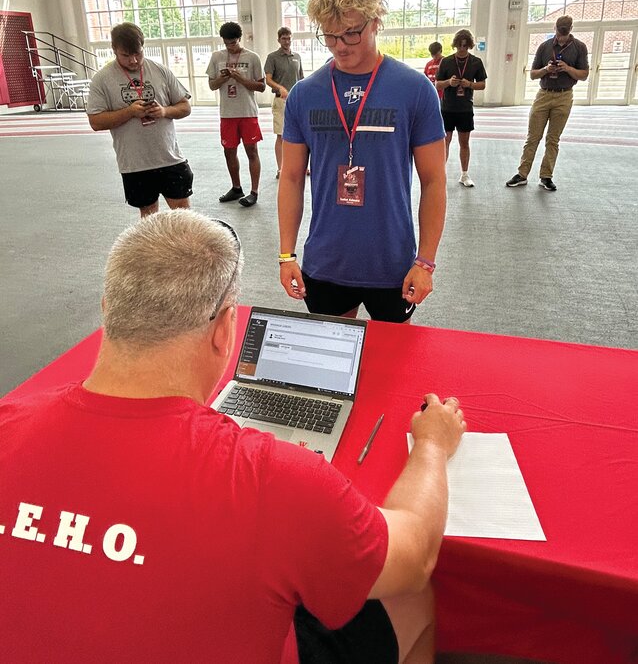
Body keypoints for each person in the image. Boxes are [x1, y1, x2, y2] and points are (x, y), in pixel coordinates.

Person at [0, 209, 466, 664]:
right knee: (414, 599)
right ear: (226, 330)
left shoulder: (8, 422)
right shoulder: (271, 478)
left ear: (108, 311)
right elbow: (417, 552)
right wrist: (431, 444)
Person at [278, 0, 446, 324]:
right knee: (330, 369)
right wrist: (286, 254)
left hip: (393, 262)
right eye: (330, 36)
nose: (340, 46)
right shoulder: (304, 95)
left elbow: (434, 181)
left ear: (376, 21)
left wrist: (426, 260)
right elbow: (291, 177)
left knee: (392, 368)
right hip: (326, 261)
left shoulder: (415, 90)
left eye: (351, 33)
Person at [87, 22, 193, 218]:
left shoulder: (160, 71)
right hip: (135, 164)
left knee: (184, 219)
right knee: (149, 221)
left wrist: (164, 111)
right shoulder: (102, 79)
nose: (134, 60)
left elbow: (185, 106)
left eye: (138, 54)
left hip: (169, 158)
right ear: (114, 50)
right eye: (126, 56)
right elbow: (95, 121)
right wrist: (129, 112)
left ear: (143, 47)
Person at [506, 14, 589, 192]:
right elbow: (533, 74)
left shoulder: (579, 48)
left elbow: (584, 74)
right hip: (544, 94)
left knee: (553, 139)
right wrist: (546, 69)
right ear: (555, 29)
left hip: (564, 96)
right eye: (559, 33)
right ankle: (522, 174)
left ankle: (546, 176)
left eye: (564, 34)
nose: (560, 37)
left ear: (571, 30)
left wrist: (567, 68)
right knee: (533, 137)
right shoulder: (544, 47)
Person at [206, 21, 265, 207]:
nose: (230, 47)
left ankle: (254, 192)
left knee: (252, 151)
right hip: (227, 113)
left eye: (233, 43)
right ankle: (236, 187)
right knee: (229, 151)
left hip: (247, 112)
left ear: (239, 39)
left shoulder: (252, 57)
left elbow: (261, 86)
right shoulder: (217, 57)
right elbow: (212, 85)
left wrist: (240, 78)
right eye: (226, 43)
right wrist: (222, 78)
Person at [436, 29, 486, 188]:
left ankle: (464, 174)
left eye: (465, 46)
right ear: (456, 45)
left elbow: (483, 84)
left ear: (469, 45)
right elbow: (437, 84)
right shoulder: (446, 62)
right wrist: (448, 83)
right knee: (445, 141)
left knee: (464, 143)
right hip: (448, 108)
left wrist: (469, 84)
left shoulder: (476, 62)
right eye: (459, 45)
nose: (462, 49)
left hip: (465, 108)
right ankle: (440, 174)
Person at [264, 26, 305, 179]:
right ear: (278, 40)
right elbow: (268, 80)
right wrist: (280, 88)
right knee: (281, 135)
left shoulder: (297, 56)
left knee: (300, 134)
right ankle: (281, 169)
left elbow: (301, 79)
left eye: (289, 38)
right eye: (283, 39)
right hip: (280, 101)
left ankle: (301, 166)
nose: (287, 41)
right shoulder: (272, 57)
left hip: (297, 101)